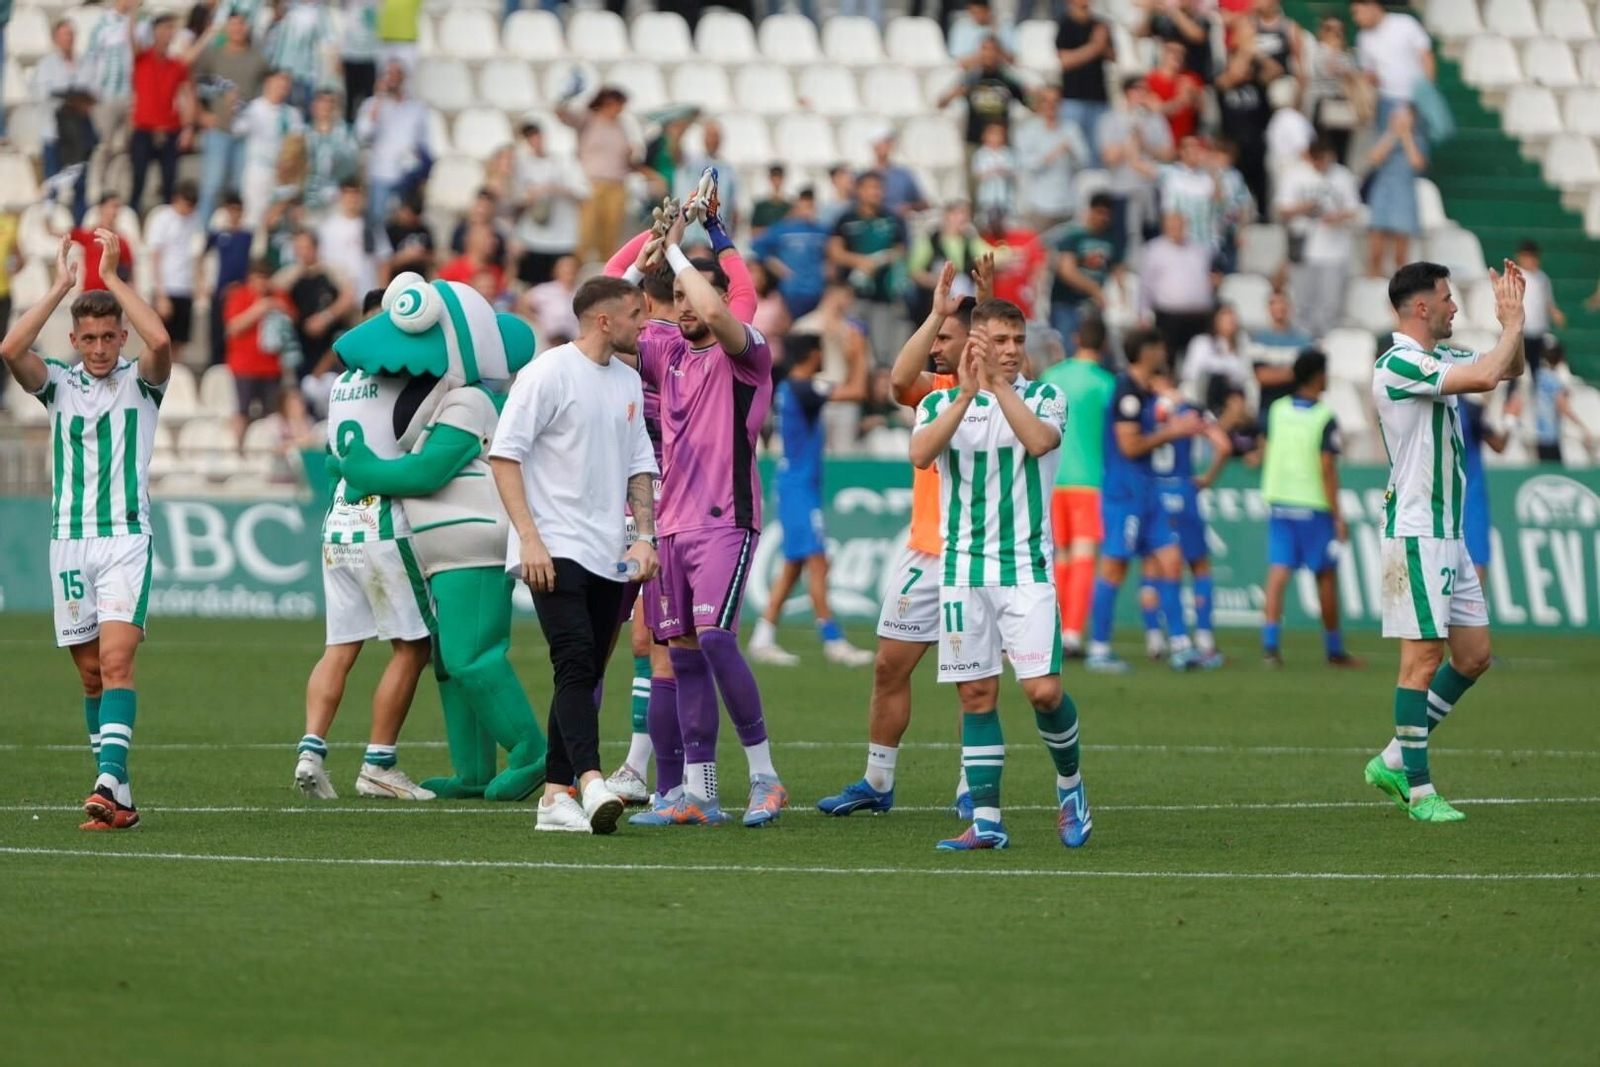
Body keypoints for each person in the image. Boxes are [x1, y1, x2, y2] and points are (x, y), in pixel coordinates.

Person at [624, 202, 787, 829]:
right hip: (668, 526)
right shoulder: (666, 350)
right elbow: (617, 312)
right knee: (684, 654)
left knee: (717, 638)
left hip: (725, 518)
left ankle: (766, 777)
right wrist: (650, 253)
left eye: (698, 294)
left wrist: (688, 247)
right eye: (680, 298)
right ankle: (700, 792)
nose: (686, 305)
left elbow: (725, 305)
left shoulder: (745, 353)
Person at [0, 231, 169, 831]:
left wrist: (112, 276)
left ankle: (104, 780)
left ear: (121, 337)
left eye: (108, 337)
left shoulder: (141, 384)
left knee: (119, 661)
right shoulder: (59, 387)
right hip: (68, 543)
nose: (99, 348)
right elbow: (10, 347)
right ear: (74, 341)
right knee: (92, 674)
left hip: (125, 538)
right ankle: (117, 795)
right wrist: (65, 285)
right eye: (88, 339)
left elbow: (164, 340)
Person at [909, 298, 1091, 852]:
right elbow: (920, 454)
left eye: (1018, 340)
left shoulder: (1045, 398)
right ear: (975, 344)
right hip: (962, 571)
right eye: (1000, 341)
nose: (1012, 350)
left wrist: (998, 387)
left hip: (1026, 570)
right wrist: (967, 394)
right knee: (976, 696)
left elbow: (1039, 443)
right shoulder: (939, 403)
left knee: (1041, 690)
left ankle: (1071, 787)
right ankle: (987, 821)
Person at [489, 276, 658, 833]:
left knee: (583, 673)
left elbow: (640, 464)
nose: (645, 323)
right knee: (576, 660)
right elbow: (505, 455)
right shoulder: (547, 373)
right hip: (552, 547)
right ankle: (589, 780)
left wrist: (644, 536)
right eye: (637, 313)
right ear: (605, 320)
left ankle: (553, 798)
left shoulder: (629, 380)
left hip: (609, 551)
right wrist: (530, 539)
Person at [1362, 259, 1526, 823]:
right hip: (1414, 533)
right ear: (1422, 307)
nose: (1455, 307)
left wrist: (1515, 324)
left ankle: (1391, 758)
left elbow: (1507, 369)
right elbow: (1484, 377)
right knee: (1423, 660)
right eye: (1448, 298)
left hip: (1447, 533)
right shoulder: (1397, 364)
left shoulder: (1437, 356)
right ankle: (1420, 790)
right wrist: (1507, 328)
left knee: (1474, 656)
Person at [815, 262, 979, 818]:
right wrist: (936, 313)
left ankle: (971, 784)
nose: (936, 348)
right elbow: (895, 383)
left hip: (976, 556)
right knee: (889, 666)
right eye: (935, 339)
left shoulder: (1000, 397)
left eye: (946, 340)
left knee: (971, 679)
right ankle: (878, 781)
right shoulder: (935, 394)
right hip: (925, 553)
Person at [748, 333, 873, 668]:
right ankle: (832, 640)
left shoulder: (791, 389)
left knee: (794, 564)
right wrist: (860, 353)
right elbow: (857, 391)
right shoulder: (802, 389)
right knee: (817, 561)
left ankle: (763, 636)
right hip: (799, 488)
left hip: (795, 484)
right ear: (812, 354)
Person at [1086, 328, 1206, 673]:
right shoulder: (1127, 392)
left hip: (1147, 492)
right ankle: (1099, 648)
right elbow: (1129, 446)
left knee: (1171, 559)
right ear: (1147, 351)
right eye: (1159, 347)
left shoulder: (1143, 390)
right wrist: (1173, 431)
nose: (1164, 353)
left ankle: (1181, 645)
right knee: (1114, 567)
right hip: (1124, 495)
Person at [1258, 349, 1358, 668]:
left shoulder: (1277, 409)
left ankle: (1270, 646)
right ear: (1317, 376)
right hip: (1313, 503)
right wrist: (1338, 515)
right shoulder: (1324, 417)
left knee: (1277, 572)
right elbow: (1327, 467)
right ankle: (1334, 649)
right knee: (1325, 576)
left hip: (1280, 499)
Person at [1039, 315, 1114, 658]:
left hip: (1052, 480)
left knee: (1060, 558)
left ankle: (1052, 627)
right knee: (1084, 557)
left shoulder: (1052, 377)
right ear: (1105, 345)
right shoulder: (1106, 384)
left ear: (1075, 339)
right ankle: (1072, 632)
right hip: (1089, 480)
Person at [1145, 372, 1231, 665]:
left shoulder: (1146, 405)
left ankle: (1156, 638)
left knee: (1154, 566)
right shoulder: (1189, 409)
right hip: (1184, 490)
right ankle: (1204, 637)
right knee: (1199, 566)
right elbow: (1224, 445)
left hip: (1153, 491)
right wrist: (1206, 478)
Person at [1276, 137, 1361, 340]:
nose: (1321, 165)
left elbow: (1354, 209)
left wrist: (1336, 217)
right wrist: (1304, 207)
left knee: (1329, 307)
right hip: (1303, 250)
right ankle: (1304, 348)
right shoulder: (1295, 175)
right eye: (1317, 161)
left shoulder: (1342, 176)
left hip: (1334, 251)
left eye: (1325, 160)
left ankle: (1327, 351)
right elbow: (1282, 209)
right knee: (1302, 305)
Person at [189, 13, 268, 224]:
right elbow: (189, 82)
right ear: (226, 28)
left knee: (237, 187)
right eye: (233, 24)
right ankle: (202, 236)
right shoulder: (213, 55)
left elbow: (270, 87)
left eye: (242, 24)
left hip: (246, 133)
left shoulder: (257, 58)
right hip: (219, 129)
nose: (237, 29)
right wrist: (200, 114)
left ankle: (232, 237)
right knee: (211, 185)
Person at [829, 171, 909, 368]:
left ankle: (880, 393)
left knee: (882, 351)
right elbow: (835, 251)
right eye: (872, 188)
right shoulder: (846, 219)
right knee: (854, 348)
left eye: (879, 188)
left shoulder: (891, 219)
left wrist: (883, 259)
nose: (877, 192)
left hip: (883, 296)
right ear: (860, 190)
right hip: (854, 295)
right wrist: (860, 262)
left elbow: (901, 249)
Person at [938, 37, 1028, 196]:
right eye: (985, 49)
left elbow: (1029, 102)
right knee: (974, 188)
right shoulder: (971, 77)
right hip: (974, 141)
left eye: (992, 49)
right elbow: (941, 102)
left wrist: (1033, 92)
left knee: (1001, 191)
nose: (989, 54)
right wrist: (954, 93)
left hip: (1001, 144)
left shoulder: (1007, 78)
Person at [790, 277, 871, 453]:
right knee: (816, 450)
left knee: (845, 453)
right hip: (814, 395)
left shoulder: (853, 329)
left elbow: (860, 369)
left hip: (845, 395)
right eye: (844, 296)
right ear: (830, 295)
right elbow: (797, 366)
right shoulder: (805, 325)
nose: (847, 301)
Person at [561, 85, 636, 265]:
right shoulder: (588, 120)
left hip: (617, 184)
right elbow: (563, 115)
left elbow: (627, 157)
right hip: (593, 183)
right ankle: (576, 268)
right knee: (586, 232)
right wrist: (568, 94)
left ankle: (607, 269)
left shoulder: (622, 127)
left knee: (610, 234)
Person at [129, 14, 194, 214]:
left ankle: (167, 223)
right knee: (138, 179)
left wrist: (188, 127)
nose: (169, 33)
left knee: (169, 182)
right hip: (144, 128)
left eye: (171, 29)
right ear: (155, 31)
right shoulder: (142, 58)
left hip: (170, 129)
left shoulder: (177, 65)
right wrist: (133, 11)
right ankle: (132, 219)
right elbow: (130, 39)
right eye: (165, 28)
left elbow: (187, 96)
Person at [1097, 77, 1173, 247]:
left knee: (1153, 240)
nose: (1142, 94)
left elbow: (1168, 154)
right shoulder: (1110, 119)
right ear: (1127, 92)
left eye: (1146, 90)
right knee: (1122, 240)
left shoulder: (1156, 119)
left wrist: (1145, 144)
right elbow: (1109, 157)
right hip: (1122, 190)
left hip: (1150, 189)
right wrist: (1131, 138)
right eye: (1138, 89)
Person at [355, 60, 430, 231]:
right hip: (381, 174)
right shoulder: (370, 105)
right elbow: (364, 134)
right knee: (378, 223)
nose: (393, 79)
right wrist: (379, 98)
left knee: (403, 224)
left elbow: (423, 144)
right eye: (390, 74)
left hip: (407, 176)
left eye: (397, 74)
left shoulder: (416, 108)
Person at [223, 259, 294, 439]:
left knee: (273, 415)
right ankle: (236, 451)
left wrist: (277, 307)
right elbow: (233, 327)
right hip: (244, 366)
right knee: (242, 412)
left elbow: (292, 320)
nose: (261, 284)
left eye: (264, 279)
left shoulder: (277, 295)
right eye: (257, 279)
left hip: (271, 367)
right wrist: (258, 310)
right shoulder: (239, 296)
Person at [273, 229, 355, 377]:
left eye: (306, 247)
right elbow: (272, 293)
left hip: (331, 342)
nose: (303, 252)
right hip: (302, 344)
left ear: (316, 247)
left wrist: (326, 317)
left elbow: (348, 297)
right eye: (299, 248)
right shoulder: (289, 275)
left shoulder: (332, 270)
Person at [1140, 211, 1218, 365]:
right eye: (1172, 224)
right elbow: (1145, 285)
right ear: (1165, 226)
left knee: (1197, 361)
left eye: (1179, 224)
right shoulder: (1154, 250)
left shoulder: (1199, 250)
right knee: (1167, 360)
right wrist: (1143, 313)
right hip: (1169, 317)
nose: (1176, 228)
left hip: (1198, 317)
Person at [1050, 192, 1123, 351]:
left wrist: (1123, 301)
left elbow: (1117, 271)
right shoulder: (1073, 236)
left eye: (1107, 214)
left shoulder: (1111, 239)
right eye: (1099, 212)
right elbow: (1066, 270)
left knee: (1095, 351)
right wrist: (1094, 289)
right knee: (1068, 350)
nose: (1103, 217)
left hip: (1094, 308)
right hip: (1068, 303)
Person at [1363, 102, 1427, 279]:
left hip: (1404, 194)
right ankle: (1373, 282)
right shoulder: (1383, 135)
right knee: (1375, 251)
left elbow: (1417, 163)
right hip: (1383, 191)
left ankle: (1399, 288)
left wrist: (1406, 135)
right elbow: (1374, 158)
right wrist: (1392, 134)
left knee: (1401, 254)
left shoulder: (1418, 140)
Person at [1014, 85, 1089, 231]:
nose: (1051, 106)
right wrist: (1054, 153)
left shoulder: (1071, 128)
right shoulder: (1028, 130)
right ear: (1039, 103)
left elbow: (1083, 161)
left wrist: (1071, 152)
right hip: (1039, 205)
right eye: (1046, 101)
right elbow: (1027, 165)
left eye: (1055, 101)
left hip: (1067, 203)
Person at [235, 68, 303, 227]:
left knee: (279, 221)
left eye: (287, 84)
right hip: (259, 169)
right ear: (268, 83)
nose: (283, 87)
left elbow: (297, 144)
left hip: (284, 173)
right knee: (253, 216)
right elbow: (237, 129)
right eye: (280, 82)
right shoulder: (254, 109)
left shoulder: (292, 114)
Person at [144, 182, 201, 365]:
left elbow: (195, 254)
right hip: (166, 287)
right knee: (159, 339)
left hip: (185, 287)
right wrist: (161, 294)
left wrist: (198, 283)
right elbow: (155, 256)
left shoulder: (194, 219)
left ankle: (174, 378)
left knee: (180, 341)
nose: (189, 209)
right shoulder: (163, 218)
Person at [1457, 393, 1508, 593]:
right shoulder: (1471, 410)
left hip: (1437, 499)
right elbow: (1499, 445)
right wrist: (1511, 419)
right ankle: (1471, 617)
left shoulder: (1424, 408)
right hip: (1471, 497)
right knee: (1475, 559)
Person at [754, 190, 832, 319]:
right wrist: (775, 265)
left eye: (811, 206)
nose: (808, 210)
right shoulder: (783, 229)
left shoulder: (822, 230)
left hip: (817, 290)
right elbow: (757, 246)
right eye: (805, 206)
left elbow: (832, 252)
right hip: (790, 291)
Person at [1056, 0, 1114, 166]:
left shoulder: (1100, 25)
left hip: (1099, 97)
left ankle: (1096, 188)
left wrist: (1100, 45)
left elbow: (1113, 56)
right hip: (1072, 98)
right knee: (1073, 150)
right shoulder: (1065, 24)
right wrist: (1095, 46)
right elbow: (1066, 61)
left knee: (1098, 151)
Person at [206, 194, 253, 366]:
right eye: (231, 210)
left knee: (235, 334)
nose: (234, 214)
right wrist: (204, 283)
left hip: (239, 291)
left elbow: (250, 263)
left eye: (237, 211)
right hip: (219, 290)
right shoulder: (218, 235)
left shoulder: (248, 236)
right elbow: (200, 256)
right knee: (217, 334)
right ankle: (215, 368)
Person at [1181, 303, 1251, 414]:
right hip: (1204, 396)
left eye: (1232, 315)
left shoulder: (1243, 344)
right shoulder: (1201, 343)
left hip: (1233, 397)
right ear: (1215, 319)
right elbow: (1191, 373)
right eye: (1225, 315)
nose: (1230, 319)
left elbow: (1246, 375)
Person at [1250, 289, 1313, 411]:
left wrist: (1276, 373)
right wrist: (1295, 372)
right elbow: (1262, 377)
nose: (1279, 307)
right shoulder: (1259, 339)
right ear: (1268, 309)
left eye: (1282, 303)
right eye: (1274, 303)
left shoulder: (1303, 340)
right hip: (1269, 409)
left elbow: (1308, 376)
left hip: (1298, 408)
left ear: (1290, 307)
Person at [1535, 341, 1594, 464]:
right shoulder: (1554, 381)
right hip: (1550, 436)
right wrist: (1581, 427)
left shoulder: (1539, 375)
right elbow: (1562, 406)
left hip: (1539, 435)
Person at [302, 89, 361, 214]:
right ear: (314, 106)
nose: (326, 107)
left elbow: (352, 166)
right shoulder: (303, 133)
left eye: (330, 103)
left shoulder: (346, 134)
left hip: (334, 201)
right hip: (306, 201)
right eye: (322, 102)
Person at [1138, 0, 1215, 82]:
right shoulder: (1166, 20)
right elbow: (1141, 34)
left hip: (1194, 78)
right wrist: (1150, 11)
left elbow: (1197, 36)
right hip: (1167, 75)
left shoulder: (1202, 18)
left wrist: (1173, 10)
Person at [1147, 40, 1205, 143]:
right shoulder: (1150, 80)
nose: (1177, 56)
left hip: (1187, 143)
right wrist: (1181, 100)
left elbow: (1203, 110)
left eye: (1181, 53)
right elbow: (1157, 111)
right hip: (1162, 143)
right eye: (1172, 51)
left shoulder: (1191, 78)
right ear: (1163, 52)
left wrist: (1193, 95)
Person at [868, 129, 929, 220]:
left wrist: (910, 207)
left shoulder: (904, 175)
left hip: (899, 229)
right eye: (884, 142)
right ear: (875, 146)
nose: (888, 146)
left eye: (889, 142)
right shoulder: (864, 177)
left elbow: (924, 204)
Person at [523, 253, 580, 343]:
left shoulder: (582, 291)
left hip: (575, 342)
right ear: (556, 270)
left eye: (572, 266)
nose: (569, 270)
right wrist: (537, 321)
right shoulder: (545, 290)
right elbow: (522, 303)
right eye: (565, 267)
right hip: (550, 341)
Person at [970, 123, 1017, 217]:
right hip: (987, 196)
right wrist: (991, 171)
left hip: (1005, 197)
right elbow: (977, 174)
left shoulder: (1008, 153)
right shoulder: (980, 154)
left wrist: (1002, 171)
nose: (995, 138)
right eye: (992, 134)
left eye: (999, 135)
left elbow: (1014, 171)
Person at [751, 164, 790, 234]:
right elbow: (753, 231)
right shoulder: (761, 207)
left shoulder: (789, 207)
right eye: (774, 178)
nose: (776, 182)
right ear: (770, 180)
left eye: (779, 178)